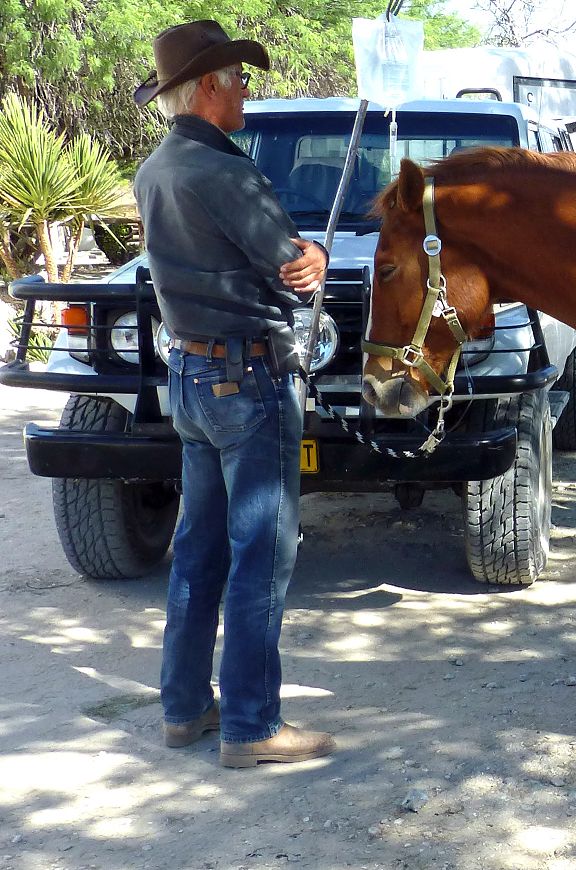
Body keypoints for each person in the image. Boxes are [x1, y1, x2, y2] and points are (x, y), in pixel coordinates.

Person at [133, 19, 335, 766]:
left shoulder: (156, 167)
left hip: (188, 376)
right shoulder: (226, 173)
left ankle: (185, 709)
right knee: (263, 553)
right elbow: (295, 271)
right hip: (248, 380)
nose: (248, 90)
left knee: (196, 550)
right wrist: (311, 251)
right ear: (209, 87)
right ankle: (252, 725)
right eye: (239, 79)